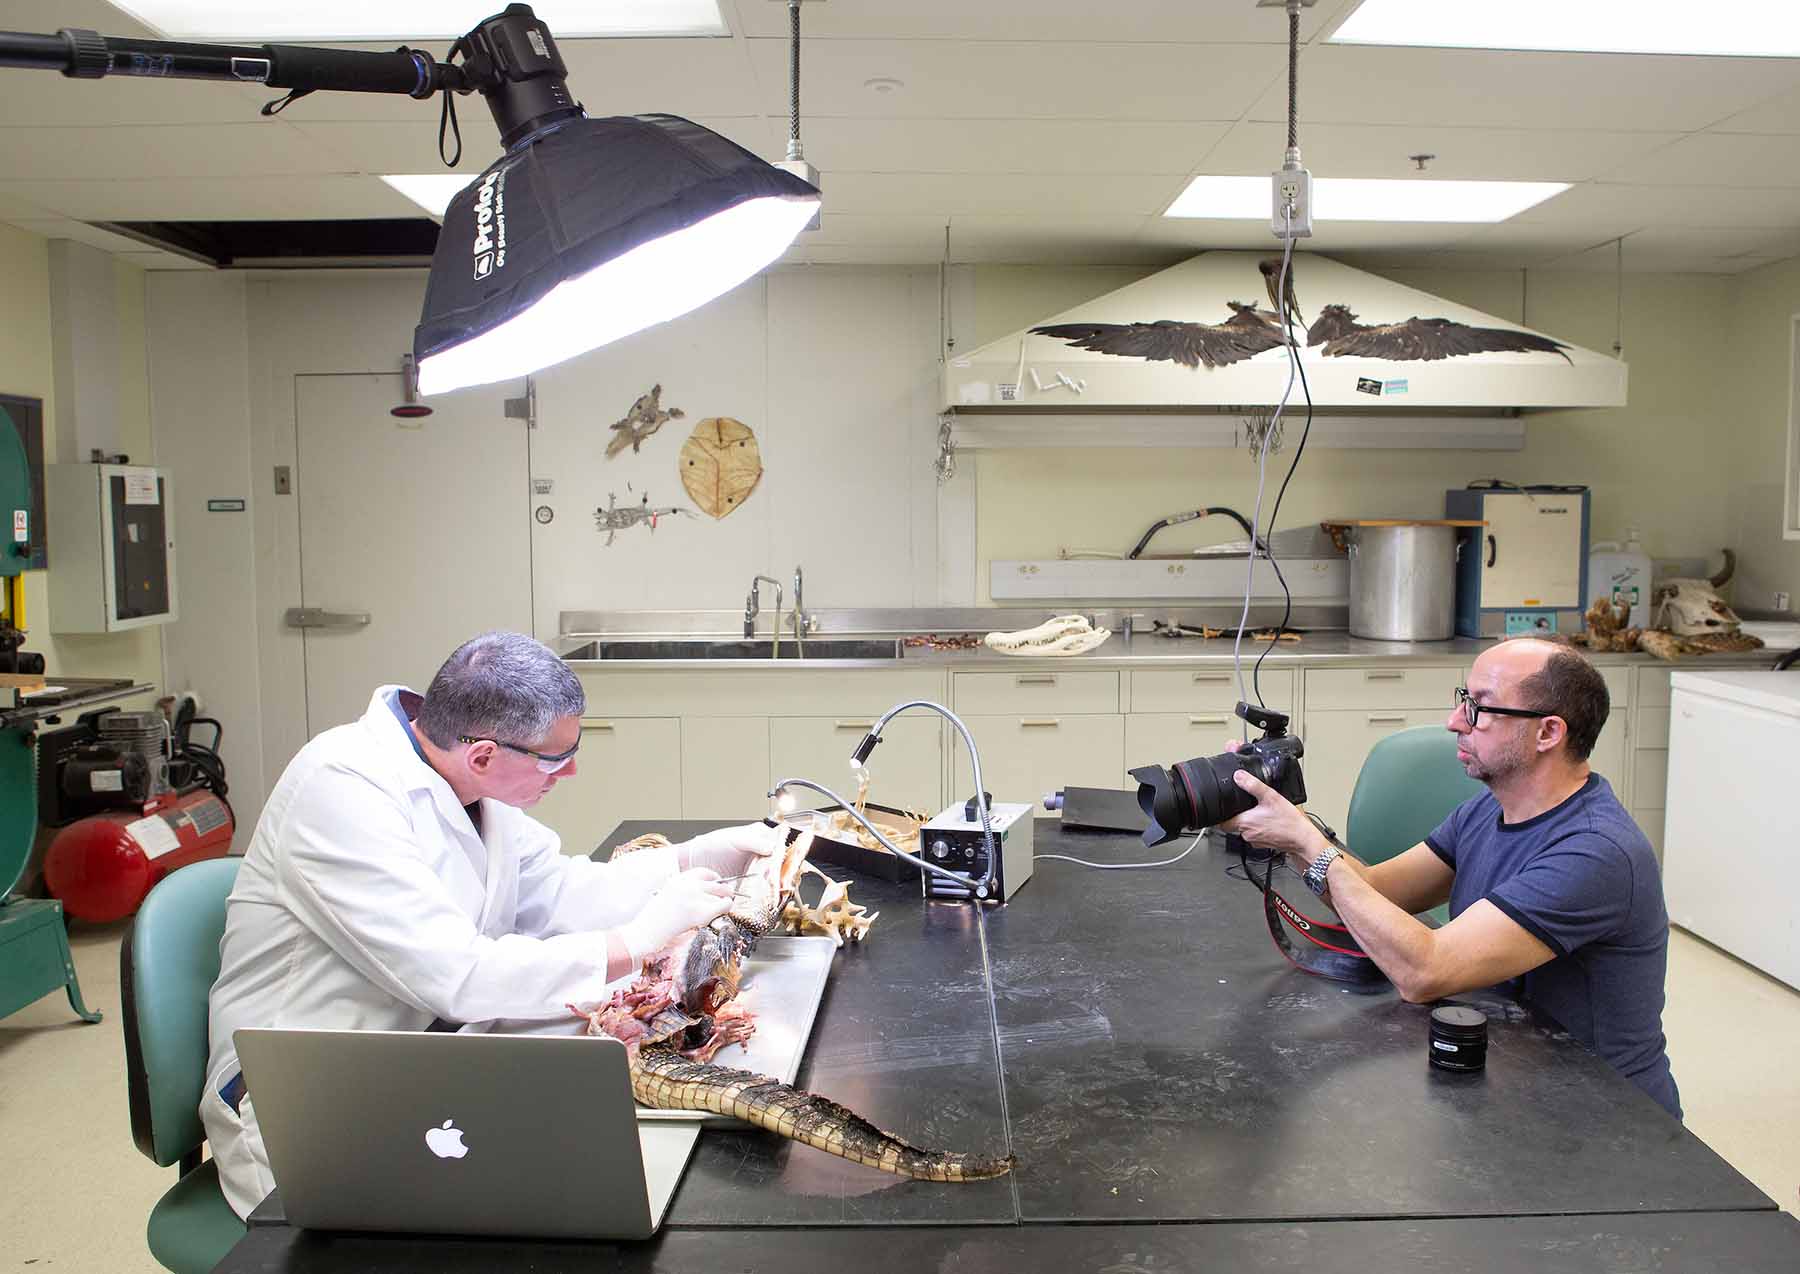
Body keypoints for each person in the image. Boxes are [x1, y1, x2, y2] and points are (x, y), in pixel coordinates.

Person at [200, 631, 783, 1218]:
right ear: (483, 754)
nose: (572, 771)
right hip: (307, 1096)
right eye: (557, 759)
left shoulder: (469, 779)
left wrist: (698, 855)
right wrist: (635, 942)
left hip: (435, 1059)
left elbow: (555, 891)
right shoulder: (340, 790)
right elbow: (456, 974)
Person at [1220, 637, 1681, 1119]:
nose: (1455, 722)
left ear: (1548, 733)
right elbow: (1375, 891)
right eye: (1464, 700)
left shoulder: (1595, 852)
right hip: (1514, 1078)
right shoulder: (1489, 809)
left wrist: (1308, 844)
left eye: (1480, 709)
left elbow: (1424, 973)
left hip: (1604, 1120)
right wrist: (1290, 828)